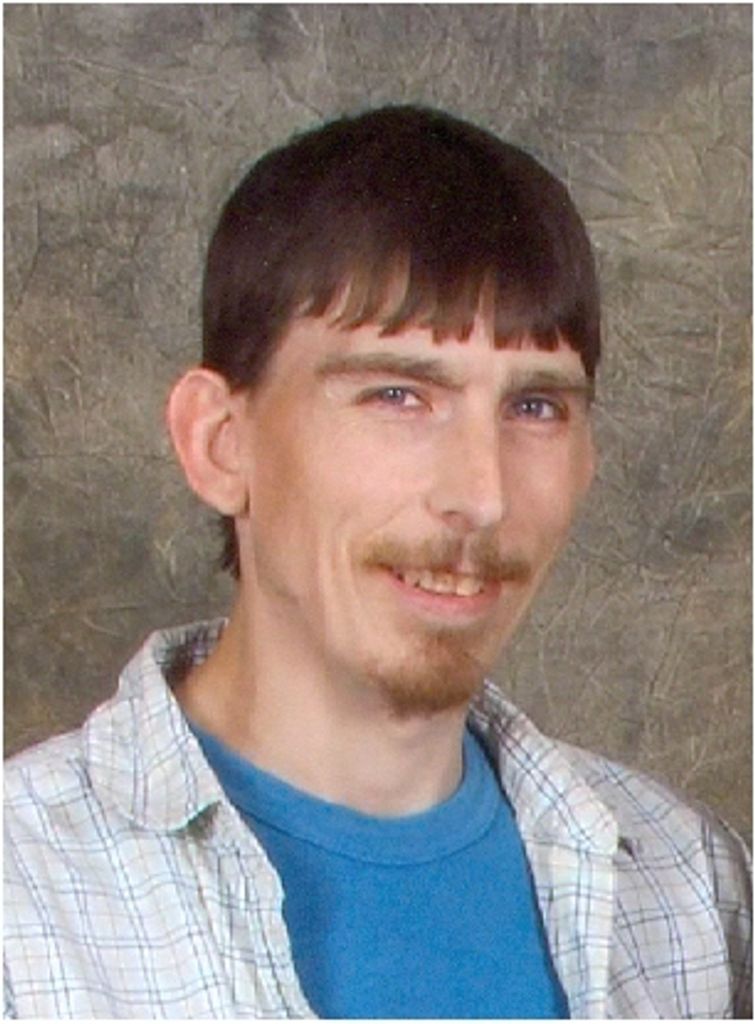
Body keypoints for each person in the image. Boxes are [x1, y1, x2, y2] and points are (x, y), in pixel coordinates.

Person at [4, 105, 750, 1020]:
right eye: (398, 395)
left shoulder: (693, 890)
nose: (480, 495)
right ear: (219, 442)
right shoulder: (24, 899)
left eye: (536, 408)